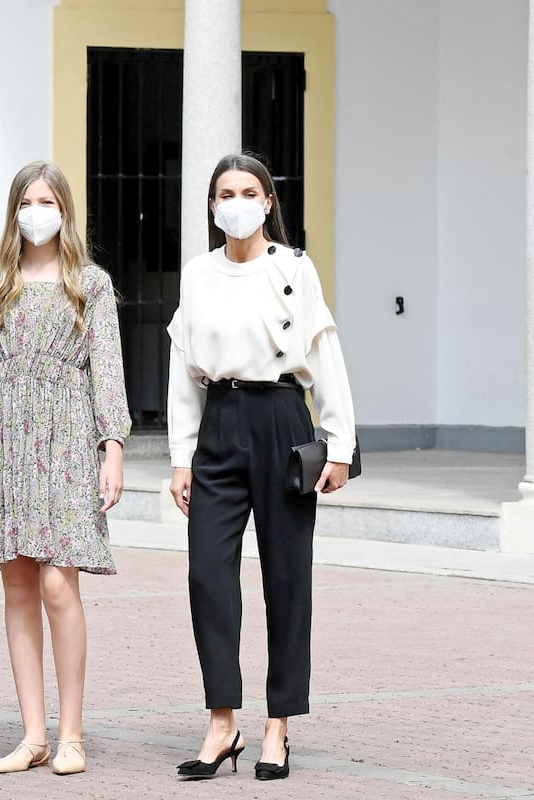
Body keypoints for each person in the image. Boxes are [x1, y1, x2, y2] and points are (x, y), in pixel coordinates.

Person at [167, 152, 356, 781]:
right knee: (207, 575)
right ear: (212, 205)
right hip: (219, 424)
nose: (237, 201)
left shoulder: (294, 270)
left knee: (286, 578)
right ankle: (223, 722)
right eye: (226, 192)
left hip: (281, 419)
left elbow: (324, 353)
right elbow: (182, 373)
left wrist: (340, 444)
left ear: (269, 201)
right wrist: (180, 457)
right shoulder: (198, 274)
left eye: (249, 191)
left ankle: (277, 724)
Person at [0, 161, 130, 776]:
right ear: (13, 211)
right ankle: (33, 733)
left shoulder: (92, 285)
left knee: (59, 582)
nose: (37, 211)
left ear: (65, 210)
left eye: (47, 200)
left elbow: (106, 367)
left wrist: (114, 445)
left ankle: (71, 731)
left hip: (68, 437)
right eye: (27, 201)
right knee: (18, 582)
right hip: (3, 439)